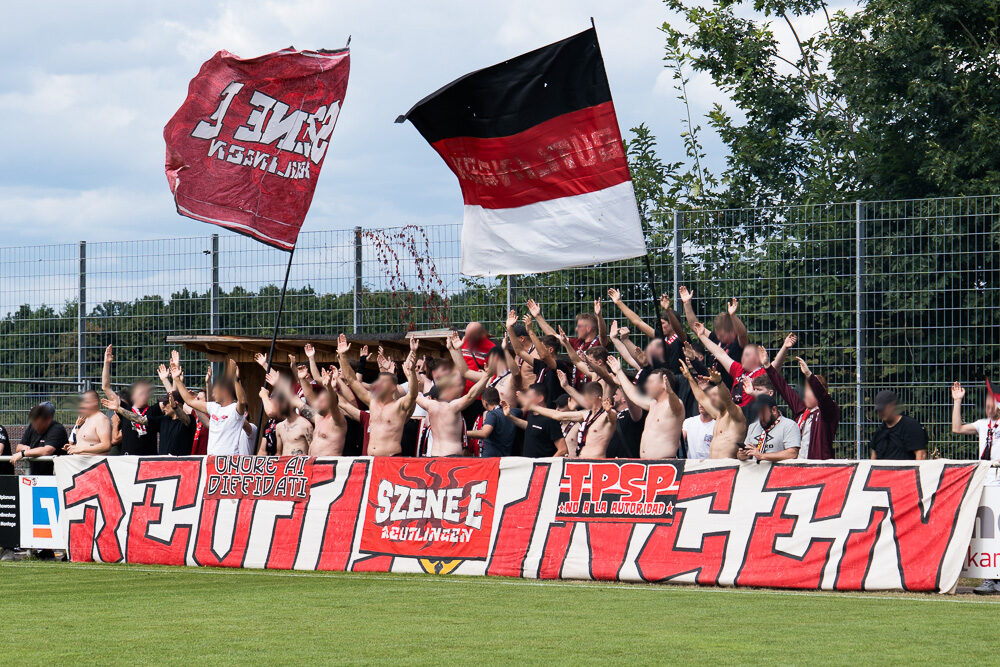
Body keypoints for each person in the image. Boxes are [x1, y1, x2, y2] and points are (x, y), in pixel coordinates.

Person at [952, 380, 1000, 594]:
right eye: (987, 403)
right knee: (988, 533)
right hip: (985, 482)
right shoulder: (983, 424)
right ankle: (991, 578)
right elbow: (957, 428)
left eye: (992, 402)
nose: (988, 406)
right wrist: (957, 401)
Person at [338, 333, 419, 456]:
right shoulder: (372, 401)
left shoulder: (399, 405)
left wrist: (412, 372)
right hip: (372, 460)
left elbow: (413, 394)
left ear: (393, 387)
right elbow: (352, 380)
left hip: (391, 459)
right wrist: (343, 355)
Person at [416, 339, 490, 456]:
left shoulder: (430, 405)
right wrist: (487, 377)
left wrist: (410, 372)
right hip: (451, 457)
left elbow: (414, 394)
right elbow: (471, 395)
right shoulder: (453, 407)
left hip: (435, 456)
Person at [763, 348, 840, 459]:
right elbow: (784, 389)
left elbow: (824, 398)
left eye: (811, 390)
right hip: (798, 466)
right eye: (806, 389)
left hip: (818, 468)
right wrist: (767, 366)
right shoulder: (802, 411)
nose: (806, 394)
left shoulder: (829, 411)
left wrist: (809, 375)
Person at [607, 357, 684, 459]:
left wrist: (671, 393)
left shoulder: (675, 405)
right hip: (646, 464)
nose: (647, 385)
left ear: (664, 384)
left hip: (665, 465)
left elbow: (675, 404)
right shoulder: (652, 404)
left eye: (651, 382)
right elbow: (632, 393)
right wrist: (619, 372)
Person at [173, 358, 250, 456]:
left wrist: (235, 379)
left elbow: (242, 401)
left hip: (230, 462)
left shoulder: (235, 409)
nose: (213, 394)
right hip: (212, 461)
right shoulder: (213, 407)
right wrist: (177, 380)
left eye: (215, 391)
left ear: (225, 392)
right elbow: (190, 401)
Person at [526, 298, 606, 388]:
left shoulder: (598, 343)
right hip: (578, 390)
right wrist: (538, 317)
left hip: (594, 388)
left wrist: (599, 316)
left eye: (579, 326)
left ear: (589, 328)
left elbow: (603, 335)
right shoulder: (577, 343)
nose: (576, 329)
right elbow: (554, 336)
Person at [679, 286, 749, 389]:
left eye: (721, 334)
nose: (718, 337)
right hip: (716, 390)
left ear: (732, 331)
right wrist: (686, 304)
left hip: (733, 392)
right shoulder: (716, 339)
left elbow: (743, 334)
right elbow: (695, 326)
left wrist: (733, 316)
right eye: (717, 333)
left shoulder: (739, 343)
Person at [526, 382, 617, 458]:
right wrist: (533, 407)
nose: (583, 399)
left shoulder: (607, 414)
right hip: (580, 462)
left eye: (585, 396)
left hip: (596, 463)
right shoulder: (585, 414)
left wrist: (609, 411)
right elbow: (558, 415)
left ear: (594, 397)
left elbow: (612, 418)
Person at [101, 344, 161, 456]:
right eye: (140, 392)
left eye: (146, 392)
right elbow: (106, 387)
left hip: (148, 460)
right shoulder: (124, 408)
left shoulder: (154, 410)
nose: (144, 395)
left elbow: (174, 400)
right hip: (128, 461)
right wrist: (107, 363)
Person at [679, 362, 747, 458]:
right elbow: (701, 398)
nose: (711, 398)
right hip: (713, 468)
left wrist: (719, 383)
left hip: (728, 468)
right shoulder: (718, 414)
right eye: (710, 396)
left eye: (715, 395)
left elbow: (727, 400)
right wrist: (689, 377)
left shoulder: (735, 413)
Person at [503, 384, 567, 458]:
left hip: (542, 467)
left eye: (528, 397)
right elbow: (530, 426)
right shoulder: (531, 415)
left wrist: (547, 465)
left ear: (540, 398)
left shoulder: (550, 419)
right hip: (529, 466)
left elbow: (563, 449)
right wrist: (509, 416)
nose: (525, 400)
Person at [738, 394, 801, 462]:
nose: (760, 417)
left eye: (763, 412)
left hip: (778, 471)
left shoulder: (789, 425)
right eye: (757, 412)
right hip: (755, 470)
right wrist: (742, 454)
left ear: (774, 410)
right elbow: (742, 454)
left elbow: (792, 453)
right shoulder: (753, 426)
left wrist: (762, 456)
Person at [869, 390, 928, 460]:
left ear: (892, 406)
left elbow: (921, 455)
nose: (880, 413)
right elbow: (873, 459)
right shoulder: (879, 432)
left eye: (883, 409)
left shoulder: (911, 426)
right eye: (878, 410)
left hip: (907, 470)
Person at [10, 403, 68, 473]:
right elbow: (18, 447)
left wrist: (23, 453)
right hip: (35, 476)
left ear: (48, 418)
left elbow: (47, 451)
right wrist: (24, 448)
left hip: (54, 477)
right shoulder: (32, 426)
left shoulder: (57, 429)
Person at [467, 387, 516, 457]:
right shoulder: (513, 412)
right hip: (505, 458)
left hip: (490, 459)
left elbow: (484, 433)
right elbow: (523, 410)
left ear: (485, 403)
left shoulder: (491, 414)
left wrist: (464, 433)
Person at [64, 390, 111, 455]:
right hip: (81, 462)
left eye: (86, 402)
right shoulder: (85, 420)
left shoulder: (101, 419)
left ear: (95, 402)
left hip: (94, 463)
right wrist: (73, 447)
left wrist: (80, 449)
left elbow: (106, 445)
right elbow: (85, 444)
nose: (82, 405)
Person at [682, 390, 716, 460]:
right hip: (691, 466)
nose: (701, 404)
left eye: (704, 401)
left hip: (710, 466)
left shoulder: (717, 425)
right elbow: (679, 440)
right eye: (699, 401)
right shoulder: (689, 422)